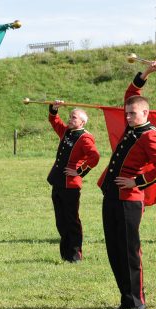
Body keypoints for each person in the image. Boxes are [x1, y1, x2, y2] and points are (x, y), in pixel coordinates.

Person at [96, 61, 156, 309]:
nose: (128, 116)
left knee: (129, 252)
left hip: (129, 200)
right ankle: (125, 300)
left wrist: (137, 181)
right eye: (127, 113)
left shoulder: (150, 135)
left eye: (133, 114)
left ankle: (136, 303)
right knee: (114, 250)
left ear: (145, 114)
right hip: (111, 196)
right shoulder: (132, 124)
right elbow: (131, 95)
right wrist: (146, 73)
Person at [46, 103, 100, 262]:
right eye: (70, 117)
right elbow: (54, 121)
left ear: (82, 122)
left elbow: (95, 157)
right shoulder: (67, 131)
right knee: (60, 220)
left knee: (72, 220)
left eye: (73, 117)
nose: (70, 119)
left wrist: (79, 171)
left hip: (70, 185)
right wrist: (54, 108)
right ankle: (65, 254)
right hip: (57, 181)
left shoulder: (85, 138)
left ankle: (76, 254)